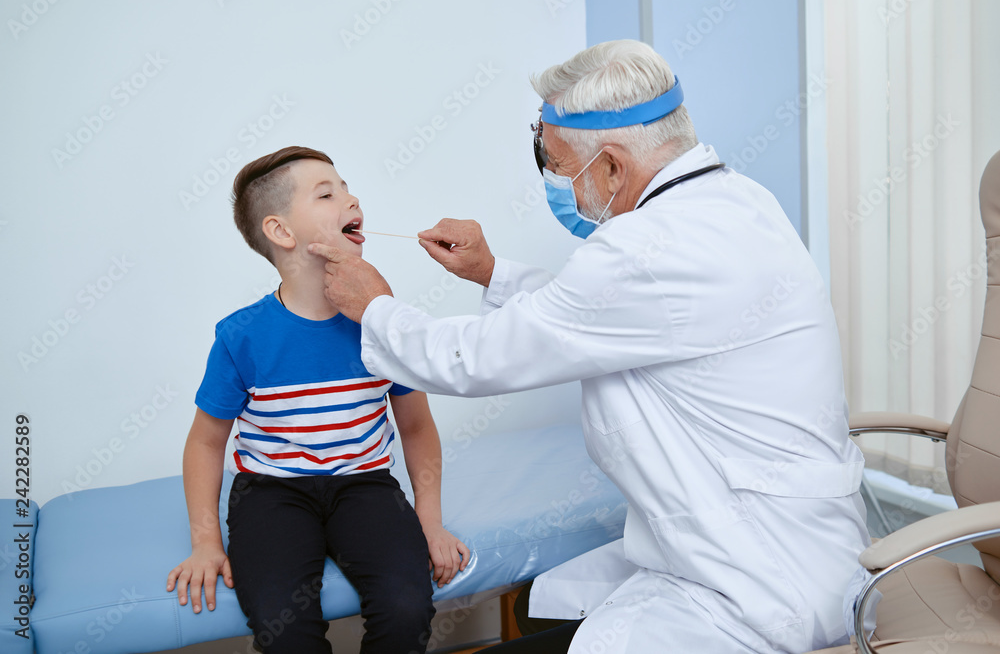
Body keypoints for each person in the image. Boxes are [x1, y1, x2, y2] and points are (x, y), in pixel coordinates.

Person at [307, 40, 873, 654]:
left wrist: (375, 308)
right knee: (562, 607)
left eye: (555, 165)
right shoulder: (736, 201)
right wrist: (491, 272)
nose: (555, 183)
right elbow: (617, 315)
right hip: (777, 544)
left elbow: (482, 356)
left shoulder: (647, 250)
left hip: (757, 587)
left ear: (609, 166)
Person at [166, 146, 470, 654]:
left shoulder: (383, 323)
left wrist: (430, 520)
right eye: (328, 194)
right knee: (284, 631)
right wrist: (205, 542)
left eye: (347, 188)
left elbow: (416, 427)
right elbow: (204, 444)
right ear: (281, 232)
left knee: (406, 608)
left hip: (365, 487)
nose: (351, 199)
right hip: (271, 495)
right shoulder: (242, 336)